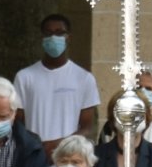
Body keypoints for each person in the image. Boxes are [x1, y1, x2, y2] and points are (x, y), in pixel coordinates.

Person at [14, 13, 100, 159]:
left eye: (60, 33)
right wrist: (37, 147)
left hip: (70, 162)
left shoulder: (84, 78)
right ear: (42, 38)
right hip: (34, 160)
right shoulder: (24, 77)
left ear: (68, 37)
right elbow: (17, 123)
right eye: (49, 33)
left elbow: (87, 127)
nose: (54, 38)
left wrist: (59, 147)